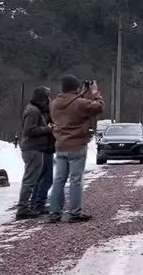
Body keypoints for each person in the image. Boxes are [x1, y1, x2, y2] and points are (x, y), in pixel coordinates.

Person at [47, 75, 104, 223]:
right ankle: (75, 212)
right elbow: (98, 107)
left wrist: (83, 94)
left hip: (60, 145)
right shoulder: (79, 103)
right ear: (76, 88)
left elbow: (73, 103)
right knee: (76, 180)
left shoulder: (54, 104)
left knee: (59, 180)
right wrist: (95, 93)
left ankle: (54, 213)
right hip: (77, 145)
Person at [15, 86, 55, 219]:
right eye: (48, 97)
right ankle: (23, 208)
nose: (49, 99)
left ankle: (31, 206)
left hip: (37, 148)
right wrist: (47, 129)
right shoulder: (33, 111)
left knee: (35, 178)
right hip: (32, 149)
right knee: (30, 179)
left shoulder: (38, 110)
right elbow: (29, 130)